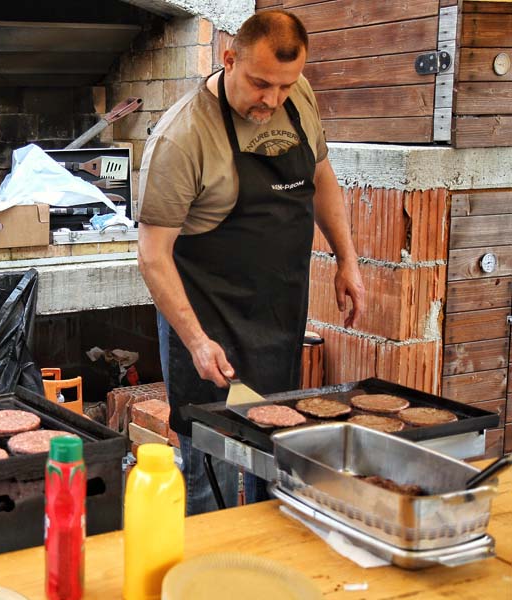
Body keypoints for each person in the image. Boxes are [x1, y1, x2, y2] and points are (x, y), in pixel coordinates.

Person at [136, 11, 365, 515]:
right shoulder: (183, 137)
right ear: (229, 59)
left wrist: (346, 258)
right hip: (209, 321)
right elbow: (152, 256)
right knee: (210, 467)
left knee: (275, 454)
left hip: (277, 313)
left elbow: (321, 178)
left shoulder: (298, 97)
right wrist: (196, 341)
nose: (273, 99)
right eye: (261, 84)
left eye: (285, 85)